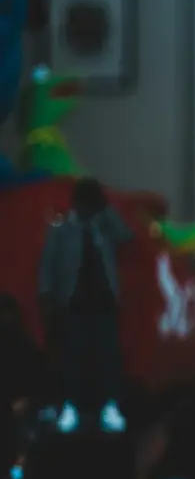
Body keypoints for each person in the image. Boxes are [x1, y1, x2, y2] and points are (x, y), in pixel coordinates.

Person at [38, 177, 131, 434]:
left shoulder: (104, 227)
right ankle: (71, 408)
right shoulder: (62, 229)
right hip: (74, 303)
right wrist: (46, 295)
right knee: (73, 357)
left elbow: (126, 237)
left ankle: (110, 407)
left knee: (108, 357)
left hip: (104, 304)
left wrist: (107, 209)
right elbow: (48, 264)